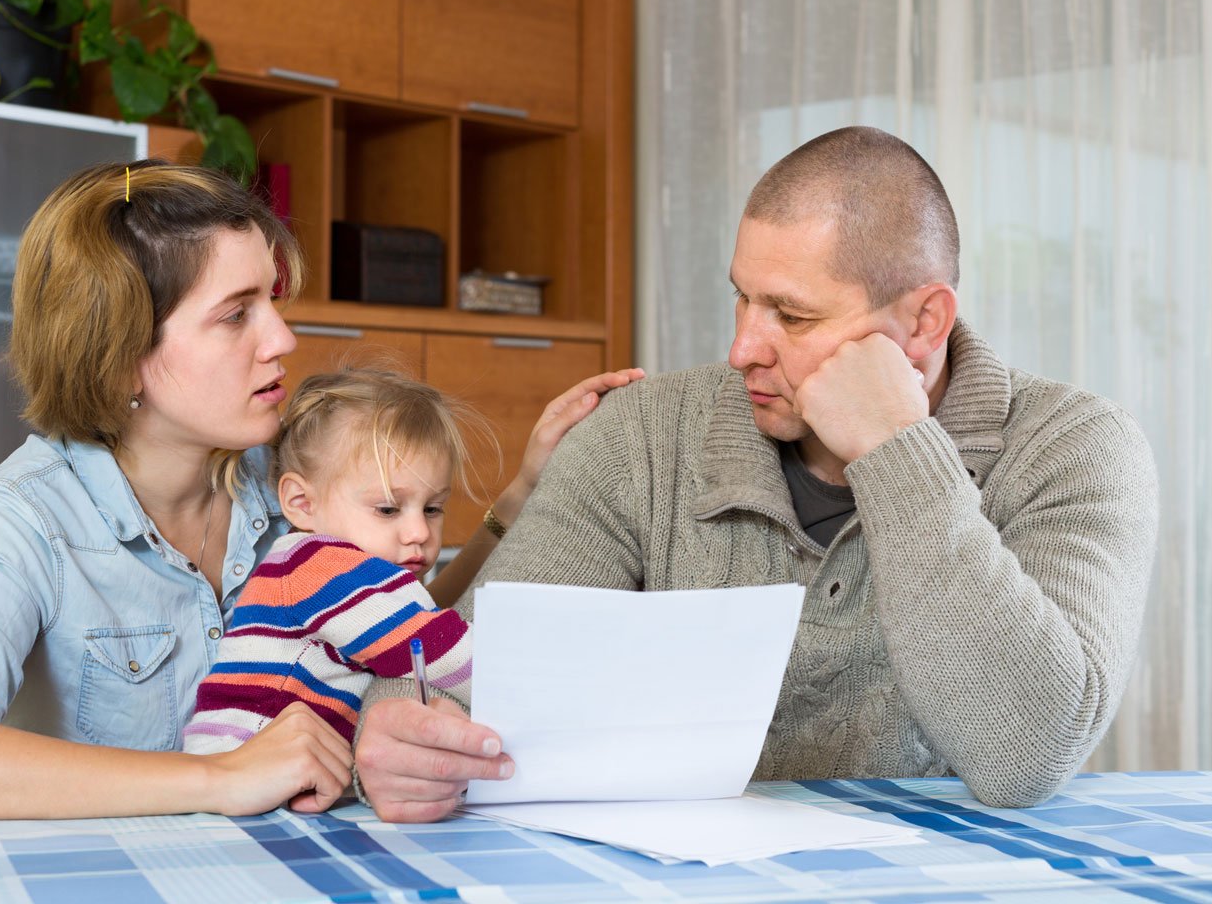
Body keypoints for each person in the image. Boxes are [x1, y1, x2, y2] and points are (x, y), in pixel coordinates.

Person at [350, 126, 1160, 821]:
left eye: (794, 316)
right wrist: (394, 728)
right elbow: (465, 677)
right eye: (741, 299)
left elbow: (1028, 754)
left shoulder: (1076, 448)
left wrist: (898, 451)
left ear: (925, 322)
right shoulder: (640, 434)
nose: (743, 348)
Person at [0, 159, 642, 819]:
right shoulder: (21, 519)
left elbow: (398, 608)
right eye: (237, 315)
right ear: (123, 353)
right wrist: (220, 779)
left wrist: (516, 501)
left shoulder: (284, 476)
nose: (283, 340)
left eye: (273, 300)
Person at [182, 367, 475, 754]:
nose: (419, 531)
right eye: (388, 509)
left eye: (433, 508)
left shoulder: (326, 565)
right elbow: (442, 650)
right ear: (302, 504)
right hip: (237, 763)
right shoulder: (321, 567)